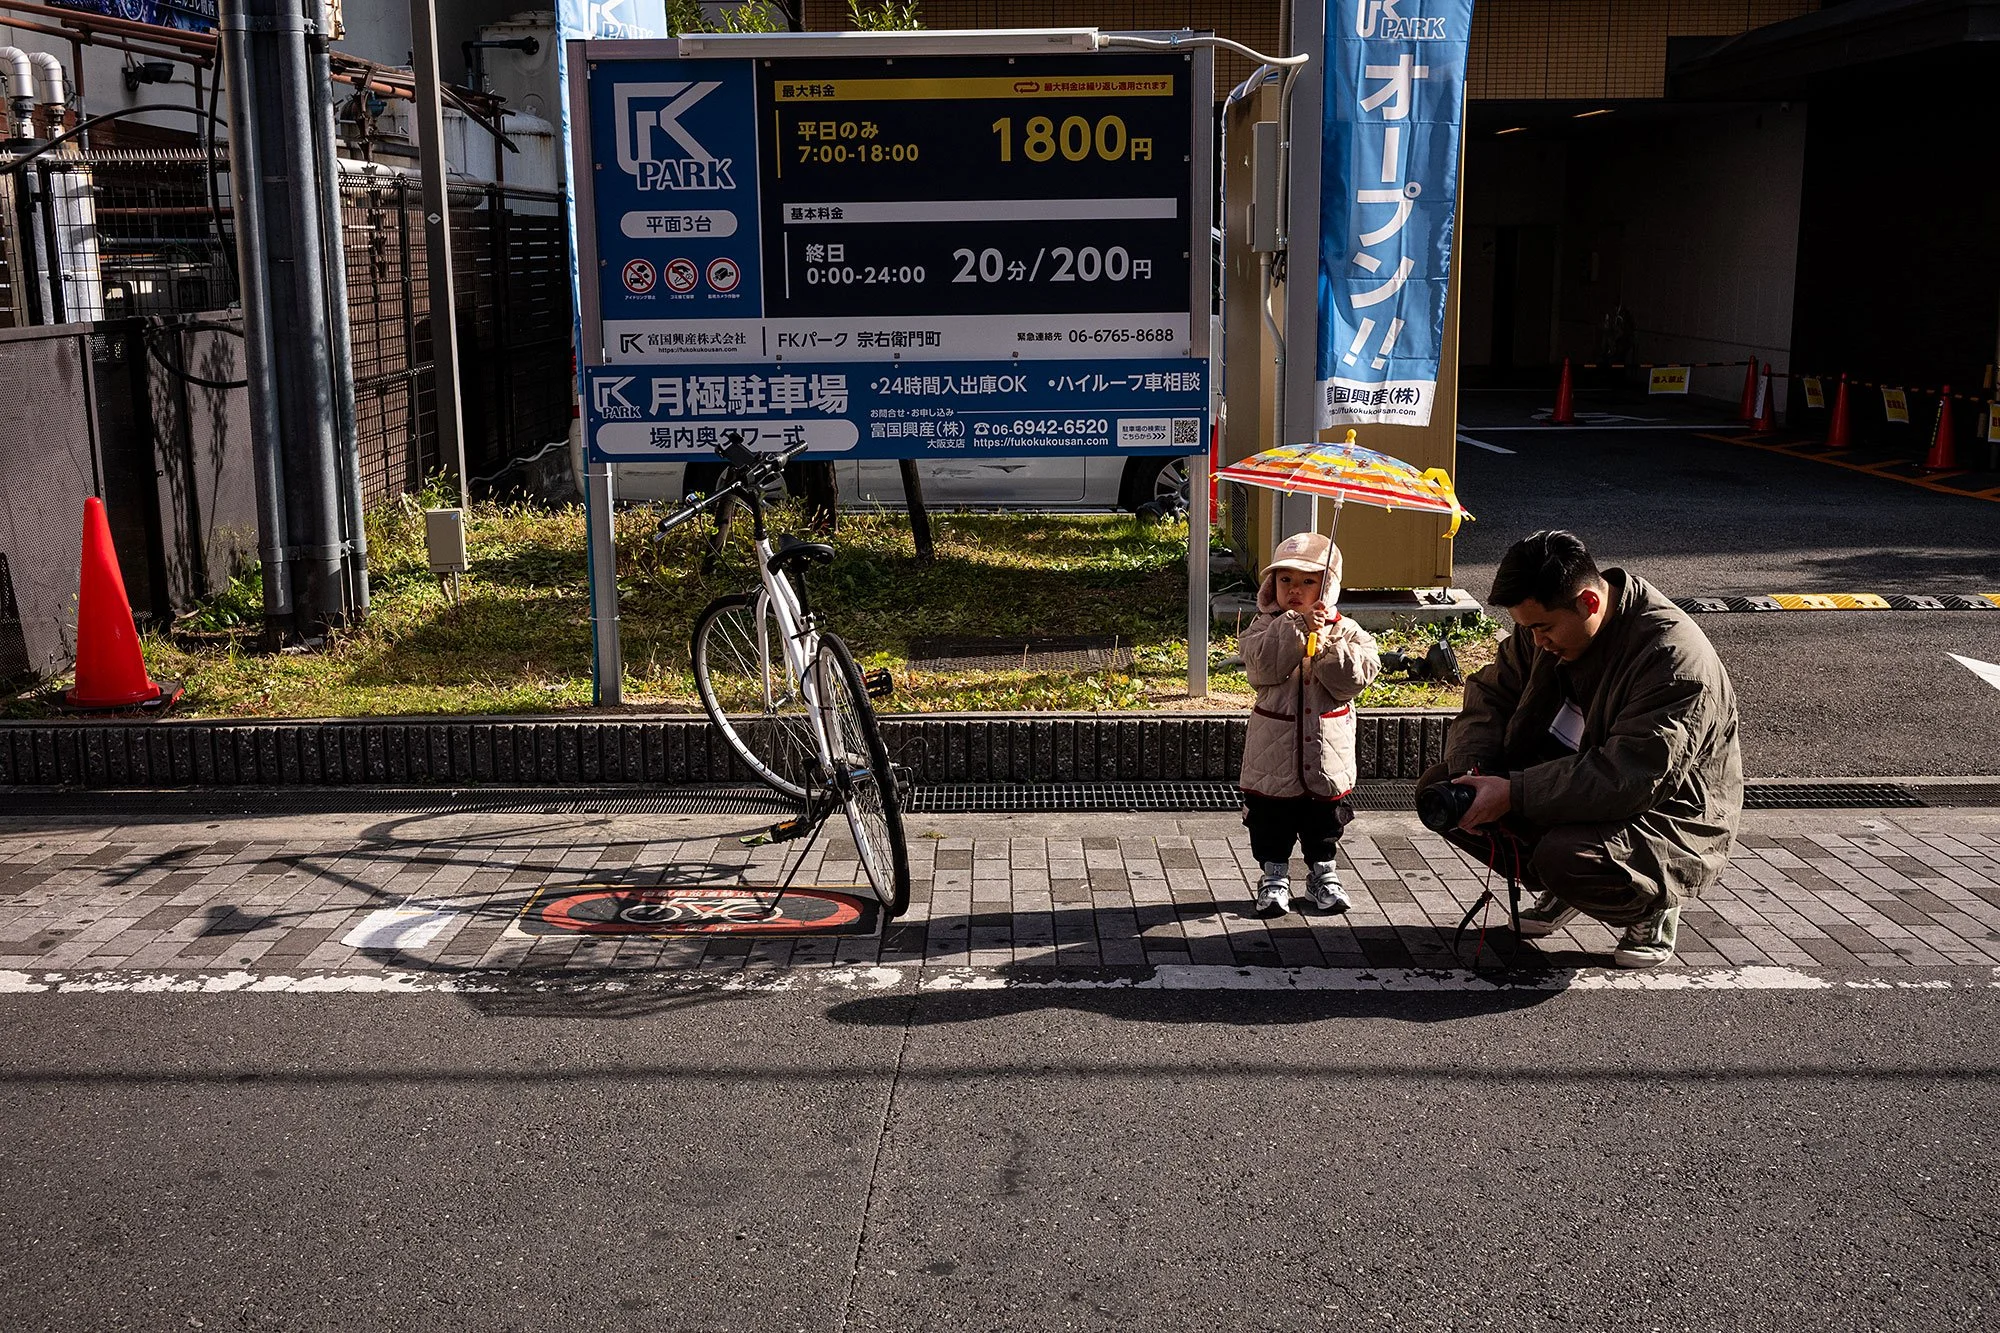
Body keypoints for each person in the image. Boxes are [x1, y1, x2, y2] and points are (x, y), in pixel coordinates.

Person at [1418, 530, 1742, 968]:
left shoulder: (1674, 661)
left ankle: (1652, 902)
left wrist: (1512, 792)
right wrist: (1476, 774)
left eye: (1543, 627)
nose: (1536, 641)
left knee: (1566, 856)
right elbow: (1489, 696)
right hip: (1568, 780)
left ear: (1588, 603)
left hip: (1665, 812)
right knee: (1444, 792)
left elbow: (1628, 777)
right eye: (1526, 628)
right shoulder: (1549, 627)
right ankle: (1562, 886)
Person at [1237, 531, 1381, 916]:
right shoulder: (1262, 626)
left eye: (1307, 581)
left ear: (1328, 585)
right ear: (1272, 584)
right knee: (1271, 820)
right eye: (1285, 580)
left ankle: (1323, 872)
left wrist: (1325, 643)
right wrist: (1297, 628)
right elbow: (1263, 667)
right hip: (1273, 749)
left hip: (1326, 749)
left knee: (1324, 820)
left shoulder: (1347, 630)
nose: (1294, 589)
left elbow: (1352, 680)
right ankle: (1273, 875)